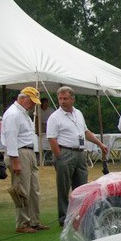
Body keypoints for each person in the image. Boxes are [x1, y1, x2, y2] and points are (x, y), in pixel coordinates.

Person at [46, 86, 110, 226]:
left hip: (80, 152)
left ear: (72, 99)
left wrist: (99, 144)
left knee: (81, 186)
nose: (62, 101)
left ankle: (81, 214)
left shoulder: (78, 113)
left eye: (65, 99)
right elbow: (52, 139)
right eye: (60, 99)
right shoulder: (55, 117)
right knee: (63, 187)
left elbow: (85, 132)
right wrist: (59, 156)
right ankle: (63, 218)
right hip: (65, 152)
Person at [0, 87, 48, 233]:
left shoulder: (23, 113)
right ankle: (22, 223)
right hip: (19, 153)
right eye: (31, 101)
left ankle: (34, 220)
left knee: (34, 189)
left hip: (28, 151)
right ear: (23, 98)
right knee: (22, 189)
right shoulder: (13, 114)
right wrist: (15, 160)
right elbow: (11, 138)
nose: (33, 105)